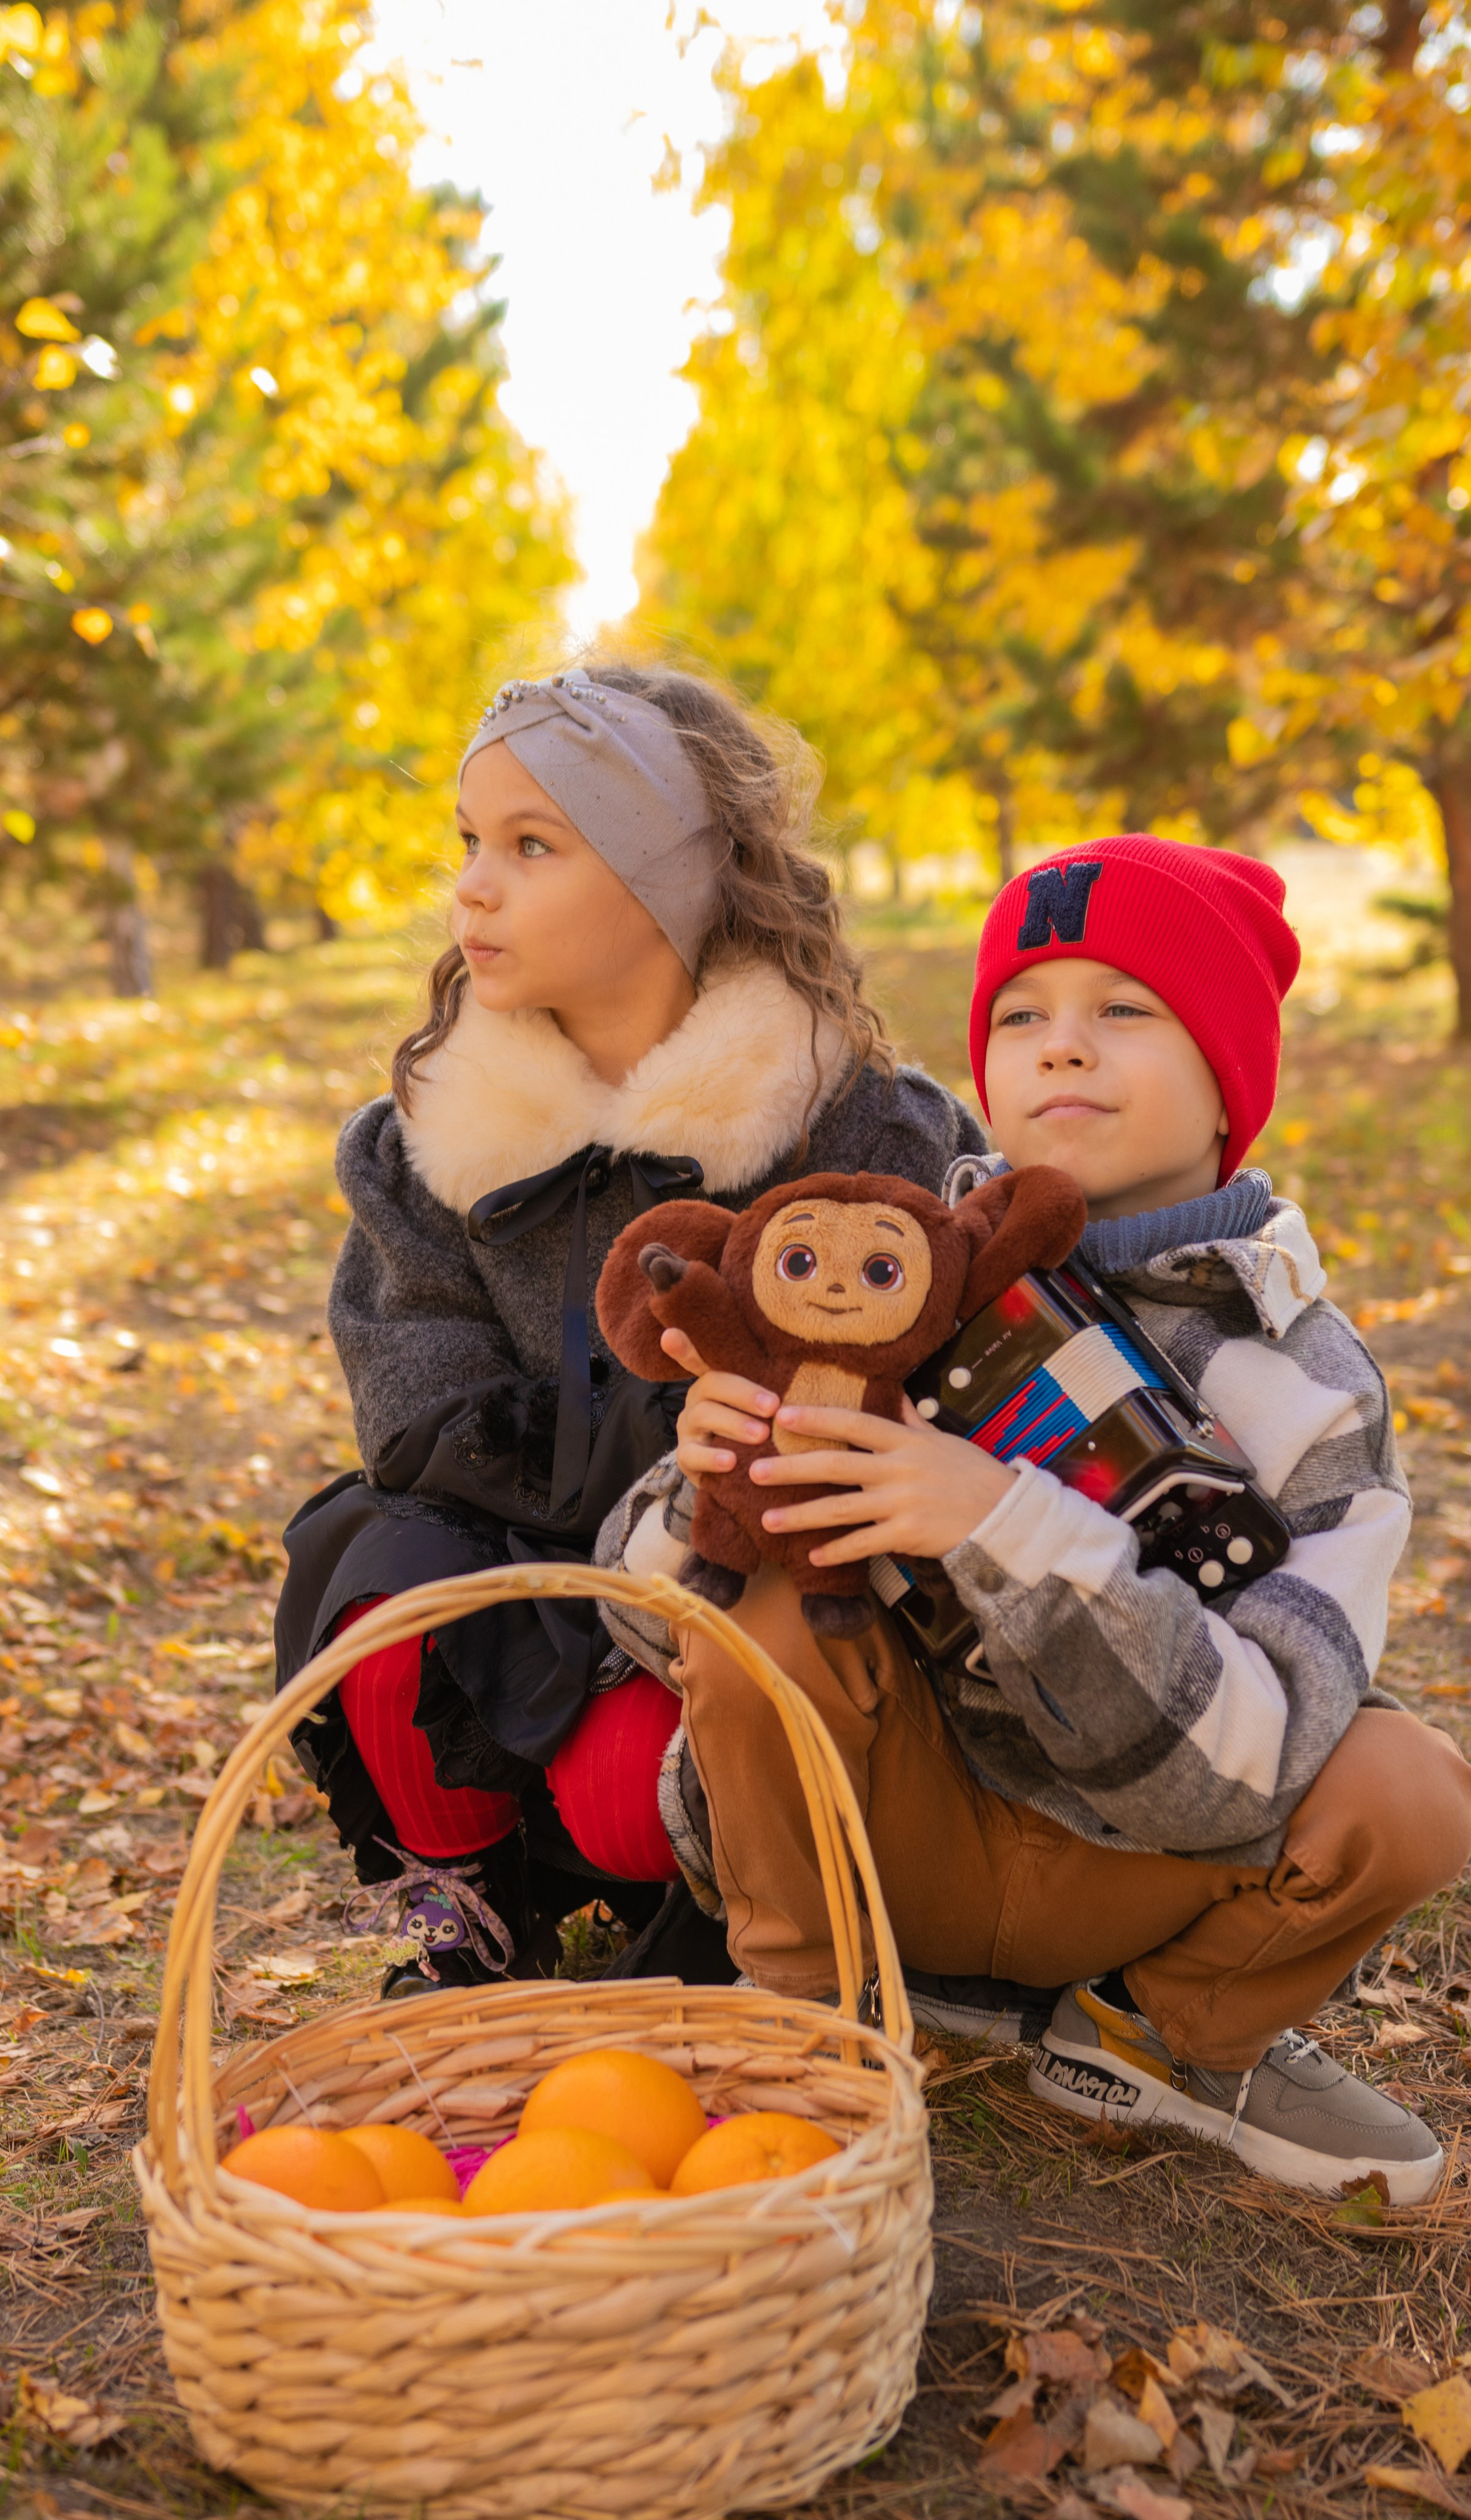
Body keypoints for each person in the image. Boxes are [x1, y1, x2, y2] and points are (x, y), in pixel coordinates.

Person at [599, 835, 1471, 2200]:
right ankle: (806, 2023)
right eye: (1021, 1017)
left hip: (1147, 1868)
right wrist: (701, 1486)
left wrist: (1002, 1523)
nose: (1059, 1050)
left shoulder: (1299, 1382)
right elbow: (648, 1629)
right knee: (770, 1618)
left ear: (1227, 1077)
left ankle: (1156, 2034)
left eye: (1122, 1010)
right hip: (895, 1833)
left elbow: (1247, 1766)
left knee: (1405, 1791)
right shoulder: (886, 1270)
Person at [272, 663, 985, 1996]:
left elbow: (934, 1370)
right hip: (517, 1546)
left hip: (730, 1562)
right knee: (377, 1578)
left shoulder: (851, 1126)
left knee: (629, 1789)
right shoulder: (433, 1135)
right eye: (468, 842)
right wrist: (610, 1459)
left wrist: (711, 1467)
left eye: (531, 846)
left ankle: (729, 1909)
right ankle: (467, 1918)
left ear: (670, 884)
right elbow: (417, 1394)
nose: (472, 886)